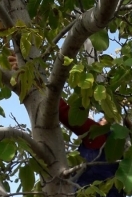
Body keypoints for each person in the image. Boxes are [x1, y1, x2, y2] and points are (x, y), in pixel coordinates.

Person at [8, 55, 124, 196]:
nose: (97, 122)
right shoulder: (123, 160)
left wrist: (31, 76)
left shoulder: (101, 135)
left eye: (101, 120)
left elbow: (63, 112)